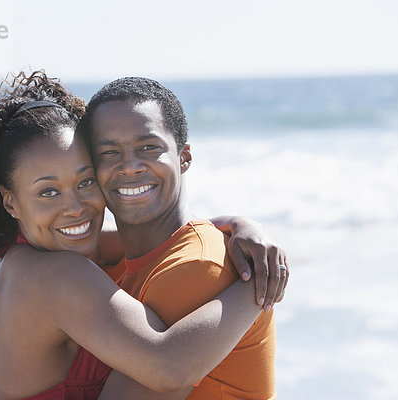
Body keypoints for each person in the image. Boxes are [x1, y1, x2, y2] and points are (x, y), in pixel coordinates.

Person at [0, 71, 287, 400]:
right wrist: (254, 287)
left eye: (85, 182)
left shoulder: (27, 254)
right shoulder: (58, 275)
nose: (75, 208)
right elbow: (168, 367)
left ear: (184, 157)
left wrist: (236, 224)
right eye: (48, 192)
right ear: (10, 201)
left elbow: (157, 237)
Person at [80, 77, 284, 399]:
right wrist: (234, 221)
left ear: (184, 157)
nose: (130, 167)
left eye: (149, 147)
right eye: (109, 152)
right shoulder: (118, 256)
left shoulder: (196, 269)